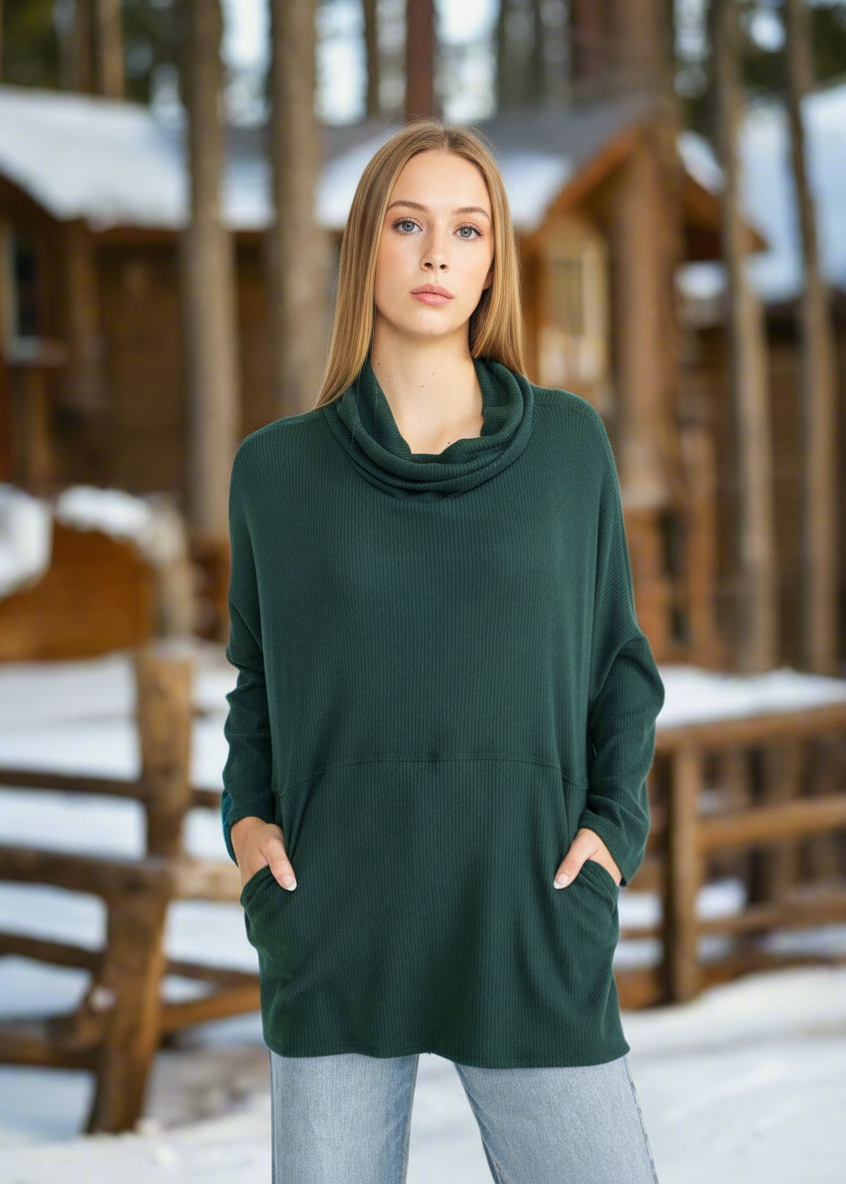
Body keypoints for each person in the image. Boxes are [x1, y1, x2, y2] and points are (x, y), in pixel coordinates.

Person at [222, 118, 665, 1184]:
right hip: (335, 909)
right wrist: (246, 821)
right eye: (408, 222)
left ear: (493, 261)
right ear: (364, 243)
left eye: (467, 230)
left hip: (528, 903)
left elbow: (619, 665)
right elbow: (259, 681)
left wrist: (611, 831)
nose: (435, 254)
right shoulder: (276, 472)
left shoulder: (567, 447)